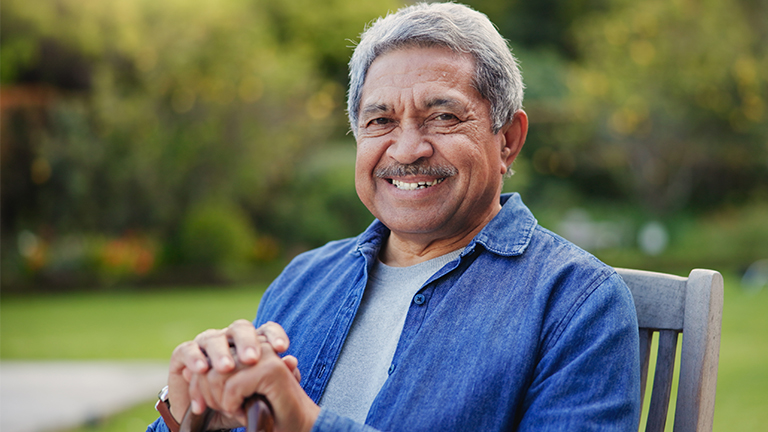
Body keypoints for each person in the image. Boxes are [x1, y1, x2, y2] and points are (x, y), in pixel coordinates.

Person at [147, 3, 641, 432]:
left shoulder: (576, 303)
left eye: (443, 117)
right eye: (380, 121)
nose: (406, 149)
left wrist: (307, 425)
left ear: (507, 140)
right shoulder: (305, 279)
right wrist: (187, 411)